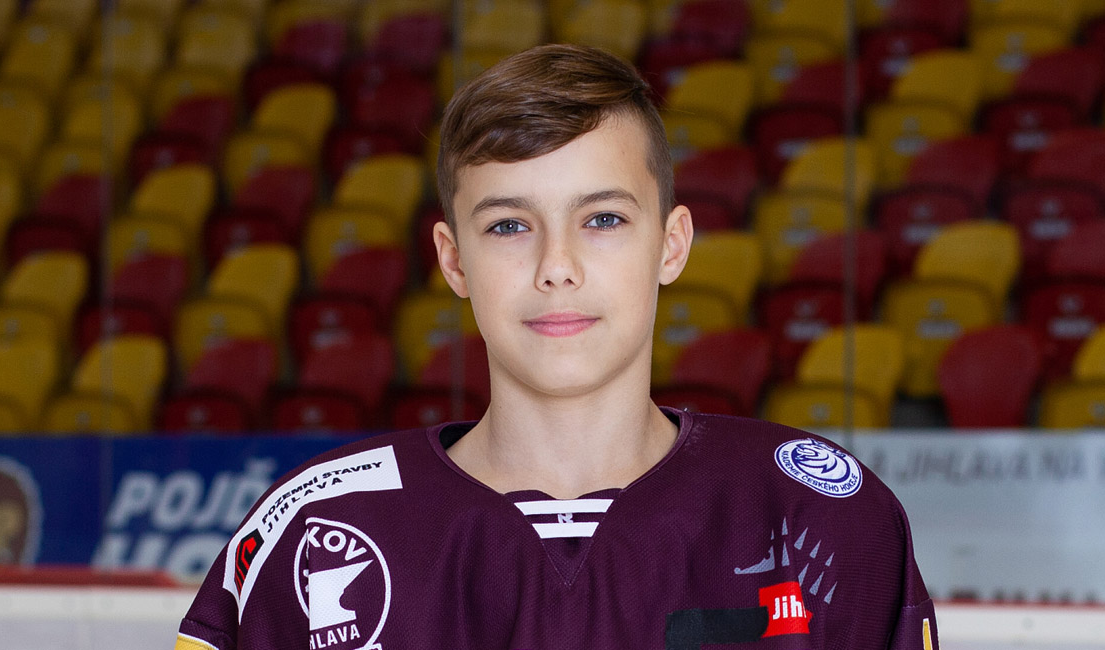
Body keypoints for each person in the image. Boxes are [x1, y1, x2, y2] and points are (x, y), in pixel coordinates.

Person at [175, 44, 938, 650]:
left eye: (603, 219)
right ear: (453, 261)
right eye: (509, 225)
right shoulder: (313, 534)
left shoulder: (821, 522)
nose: (557, 266)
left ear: (671, 245)